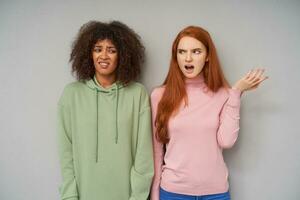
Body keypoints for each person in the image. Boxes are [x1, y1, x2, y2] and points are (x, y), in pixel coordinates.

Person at [150, 26, 267, 200]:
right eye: (182, 52)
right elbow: (157, 150)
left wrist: (236, 93)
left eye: (196, 51)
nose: (188, 58)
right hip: (173, 192)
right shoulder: (160, 95)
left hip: (216, 193)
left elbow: (226, 141)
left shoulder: (225, 94)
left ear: (208, 56)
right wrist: (155, 194)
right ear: (176, 57)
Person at [57, 21, 154, 200]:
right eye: (97, 49)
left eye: (111, 50)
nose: (104, 55)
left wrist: (138, 197)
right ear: (88, 54)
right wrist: (69, 196)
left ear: (122, 55)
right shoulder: (72, 95)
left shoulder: (137, 94)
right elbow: (66, 155)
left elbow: (144, 155)